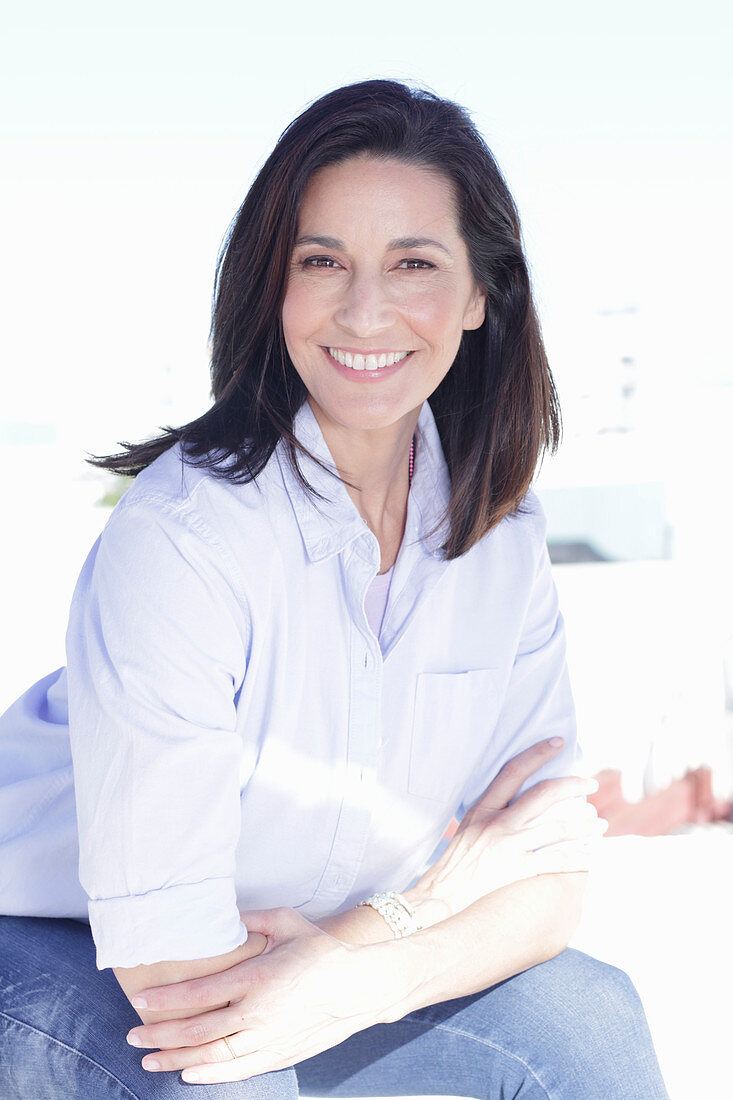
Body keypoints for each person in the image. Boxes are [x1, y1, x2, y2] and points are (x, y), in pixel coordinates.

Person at [0, 78, 669, 1099]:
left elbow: (547, 883)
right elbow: (171, 963)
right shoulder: (185, 537)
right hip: (58, 941)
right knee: (224, 1077)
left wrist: (362, 968)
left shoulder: (502, 537)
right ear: (275, 285)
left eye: (413, 262)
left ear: (481, 292)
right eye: (323, 261)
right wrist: (427, 903)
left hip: (315, 947)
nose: (365, 309)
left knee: (587, 1017)